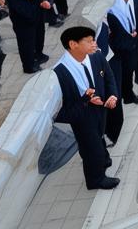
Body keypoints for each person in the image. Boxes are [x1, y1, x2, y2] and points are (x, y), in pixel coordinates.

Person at [53, 25, 120, 190]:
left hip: (101, 109)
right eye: (89, 41)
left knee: (99, 136)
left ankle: (102, 159)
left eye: (93, 40)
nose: (94, 44)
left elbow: (109, 77)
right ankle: (96, 180)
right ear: (73, 44)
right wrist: (86, 101)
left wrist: (112, 95)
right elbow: (59, 111)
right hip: (82, 117)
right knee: (90, 148)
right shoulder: (59, 72)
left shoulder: (96, 56)